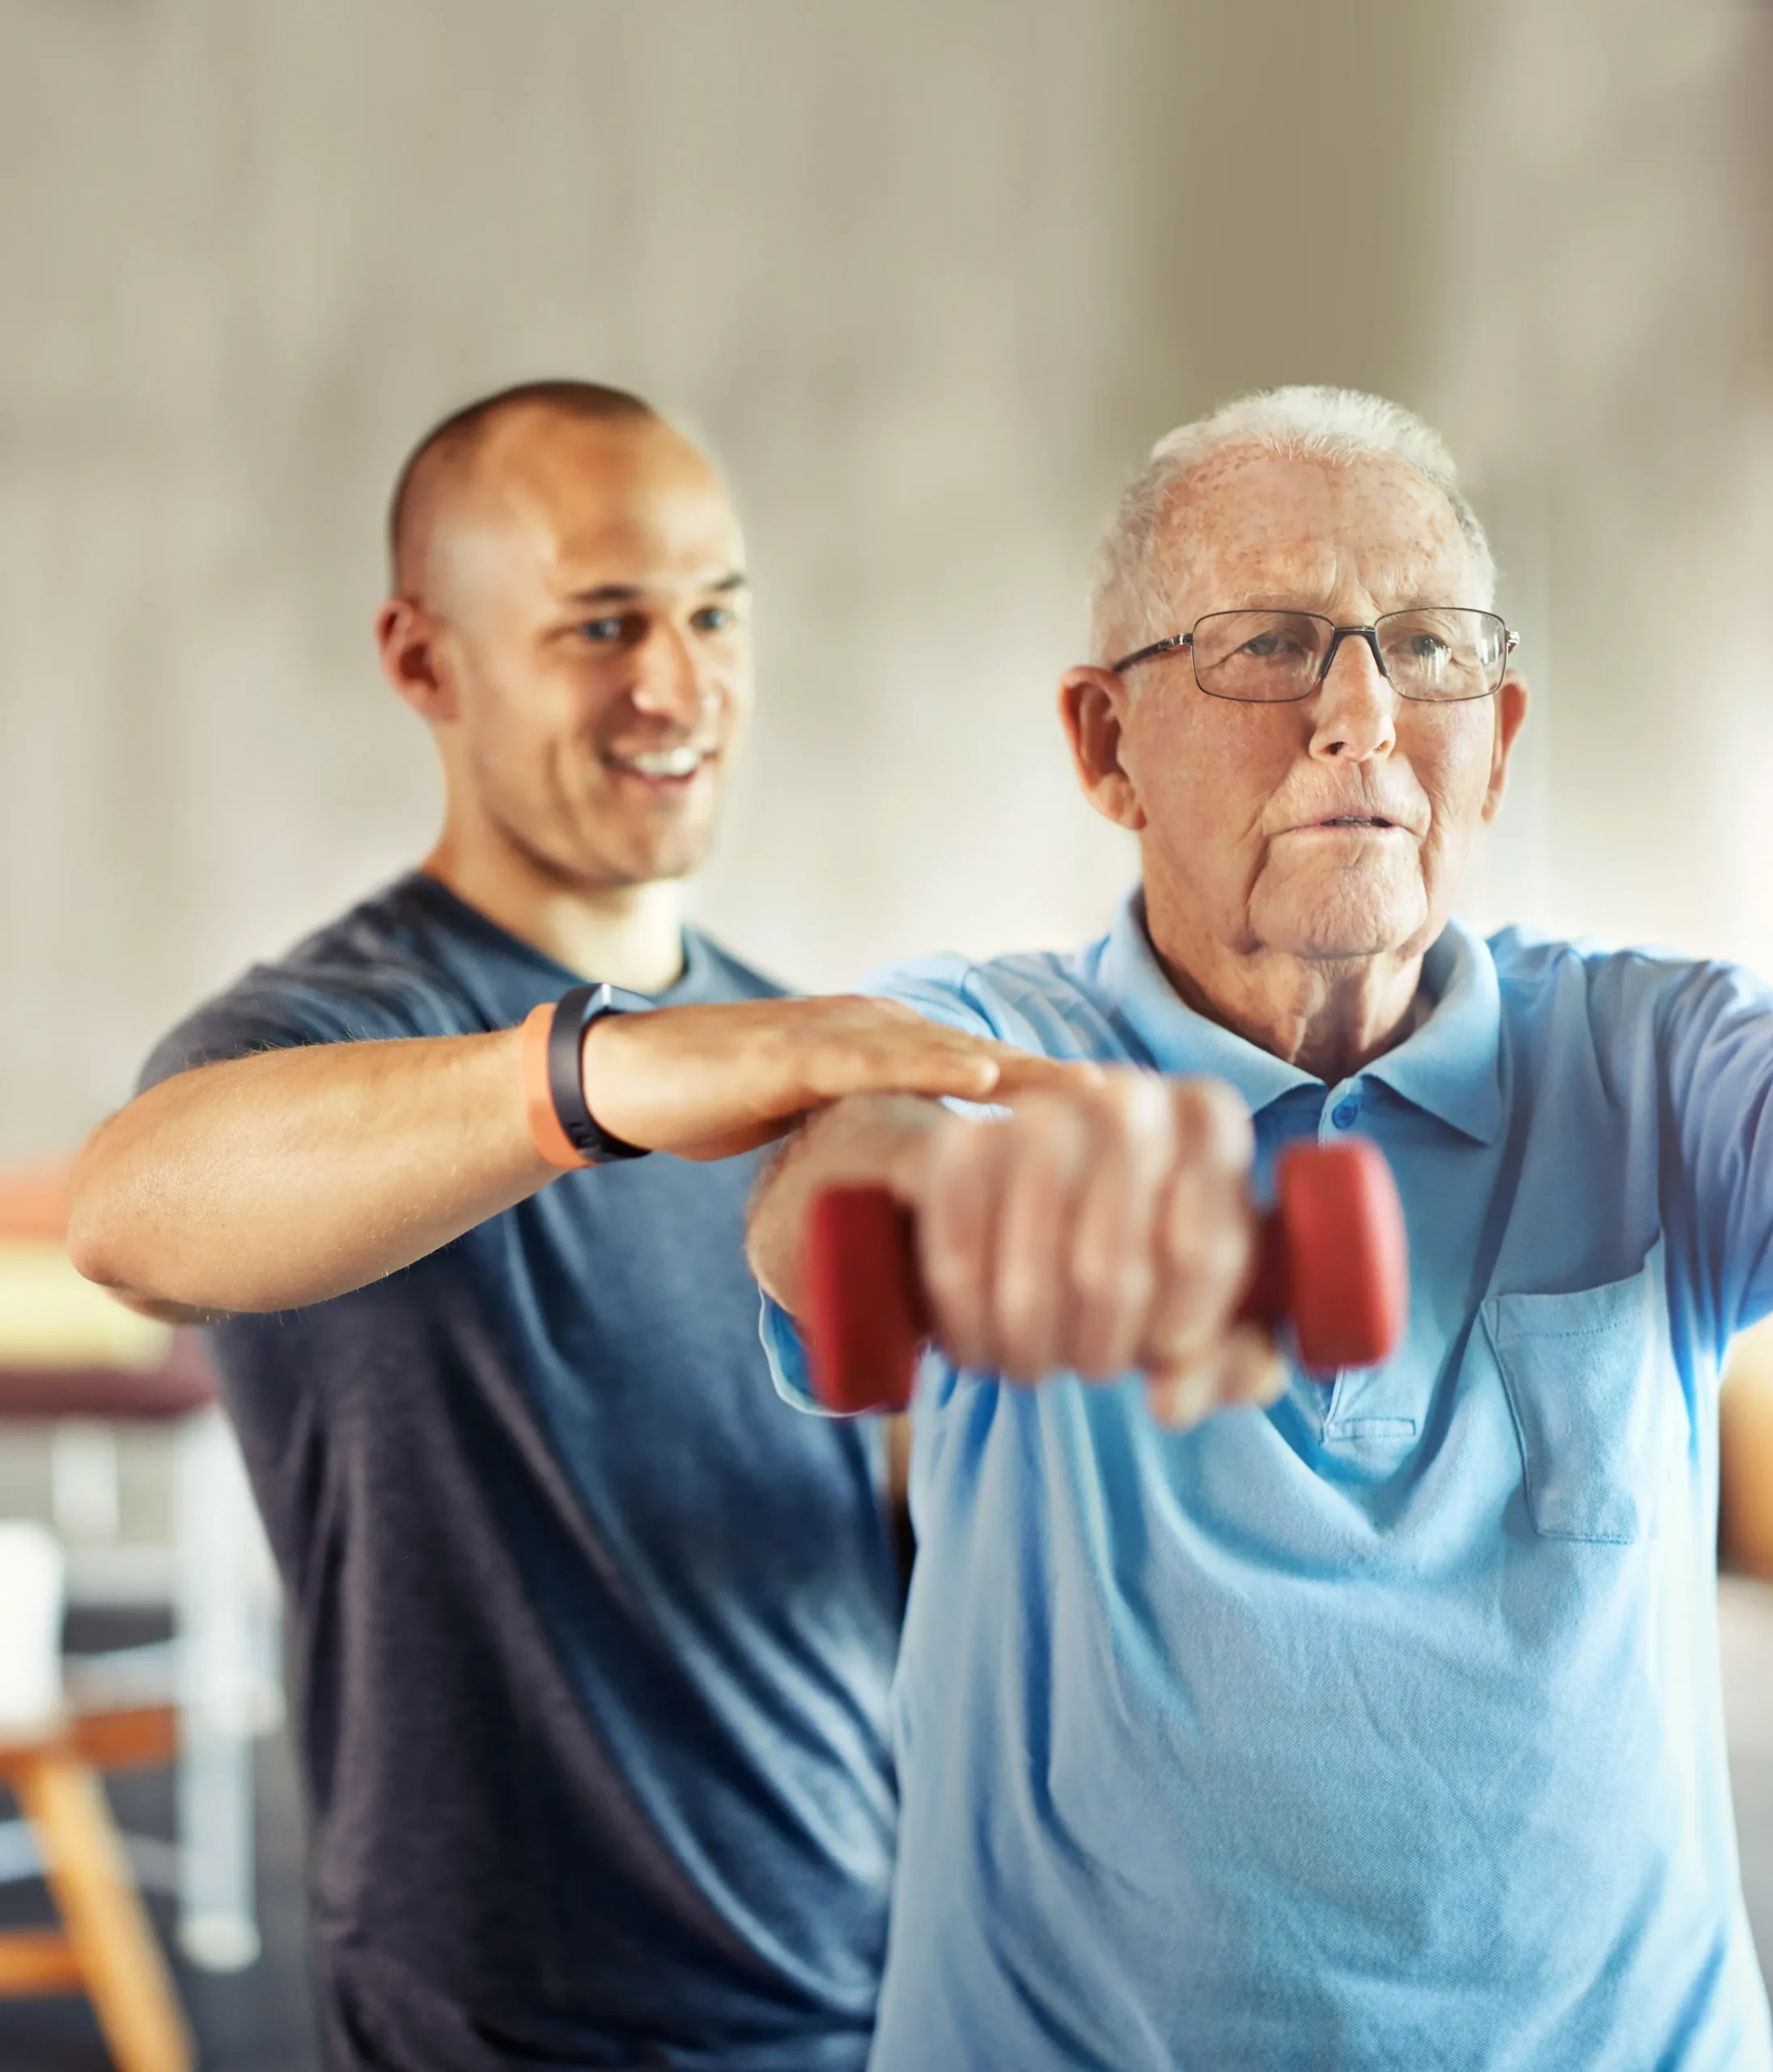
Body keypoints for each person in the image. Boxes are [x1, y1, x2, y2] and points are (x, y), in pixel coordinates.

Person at [744, 384, 1773, 2070]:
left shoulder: (1662, 1068)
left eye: (1422, 648)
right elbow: (839, 1164)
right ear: (1101, 743)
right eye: (1269, 644)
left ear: (1493, 739)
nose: (1358, 712)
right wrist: (947, 1191)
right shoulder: (992, 1039)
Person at [66, 380, 1061, 2072]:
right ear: (423, 661)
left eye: (710, 612)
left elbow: (851, 1546)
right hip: (526, 2033)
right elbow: (130, 1212)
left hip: (888, 1998)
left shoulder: (797, 1050)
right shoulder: (330, 1033)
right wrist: (593, 1080)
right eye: (601, 624)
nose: (674, 684)